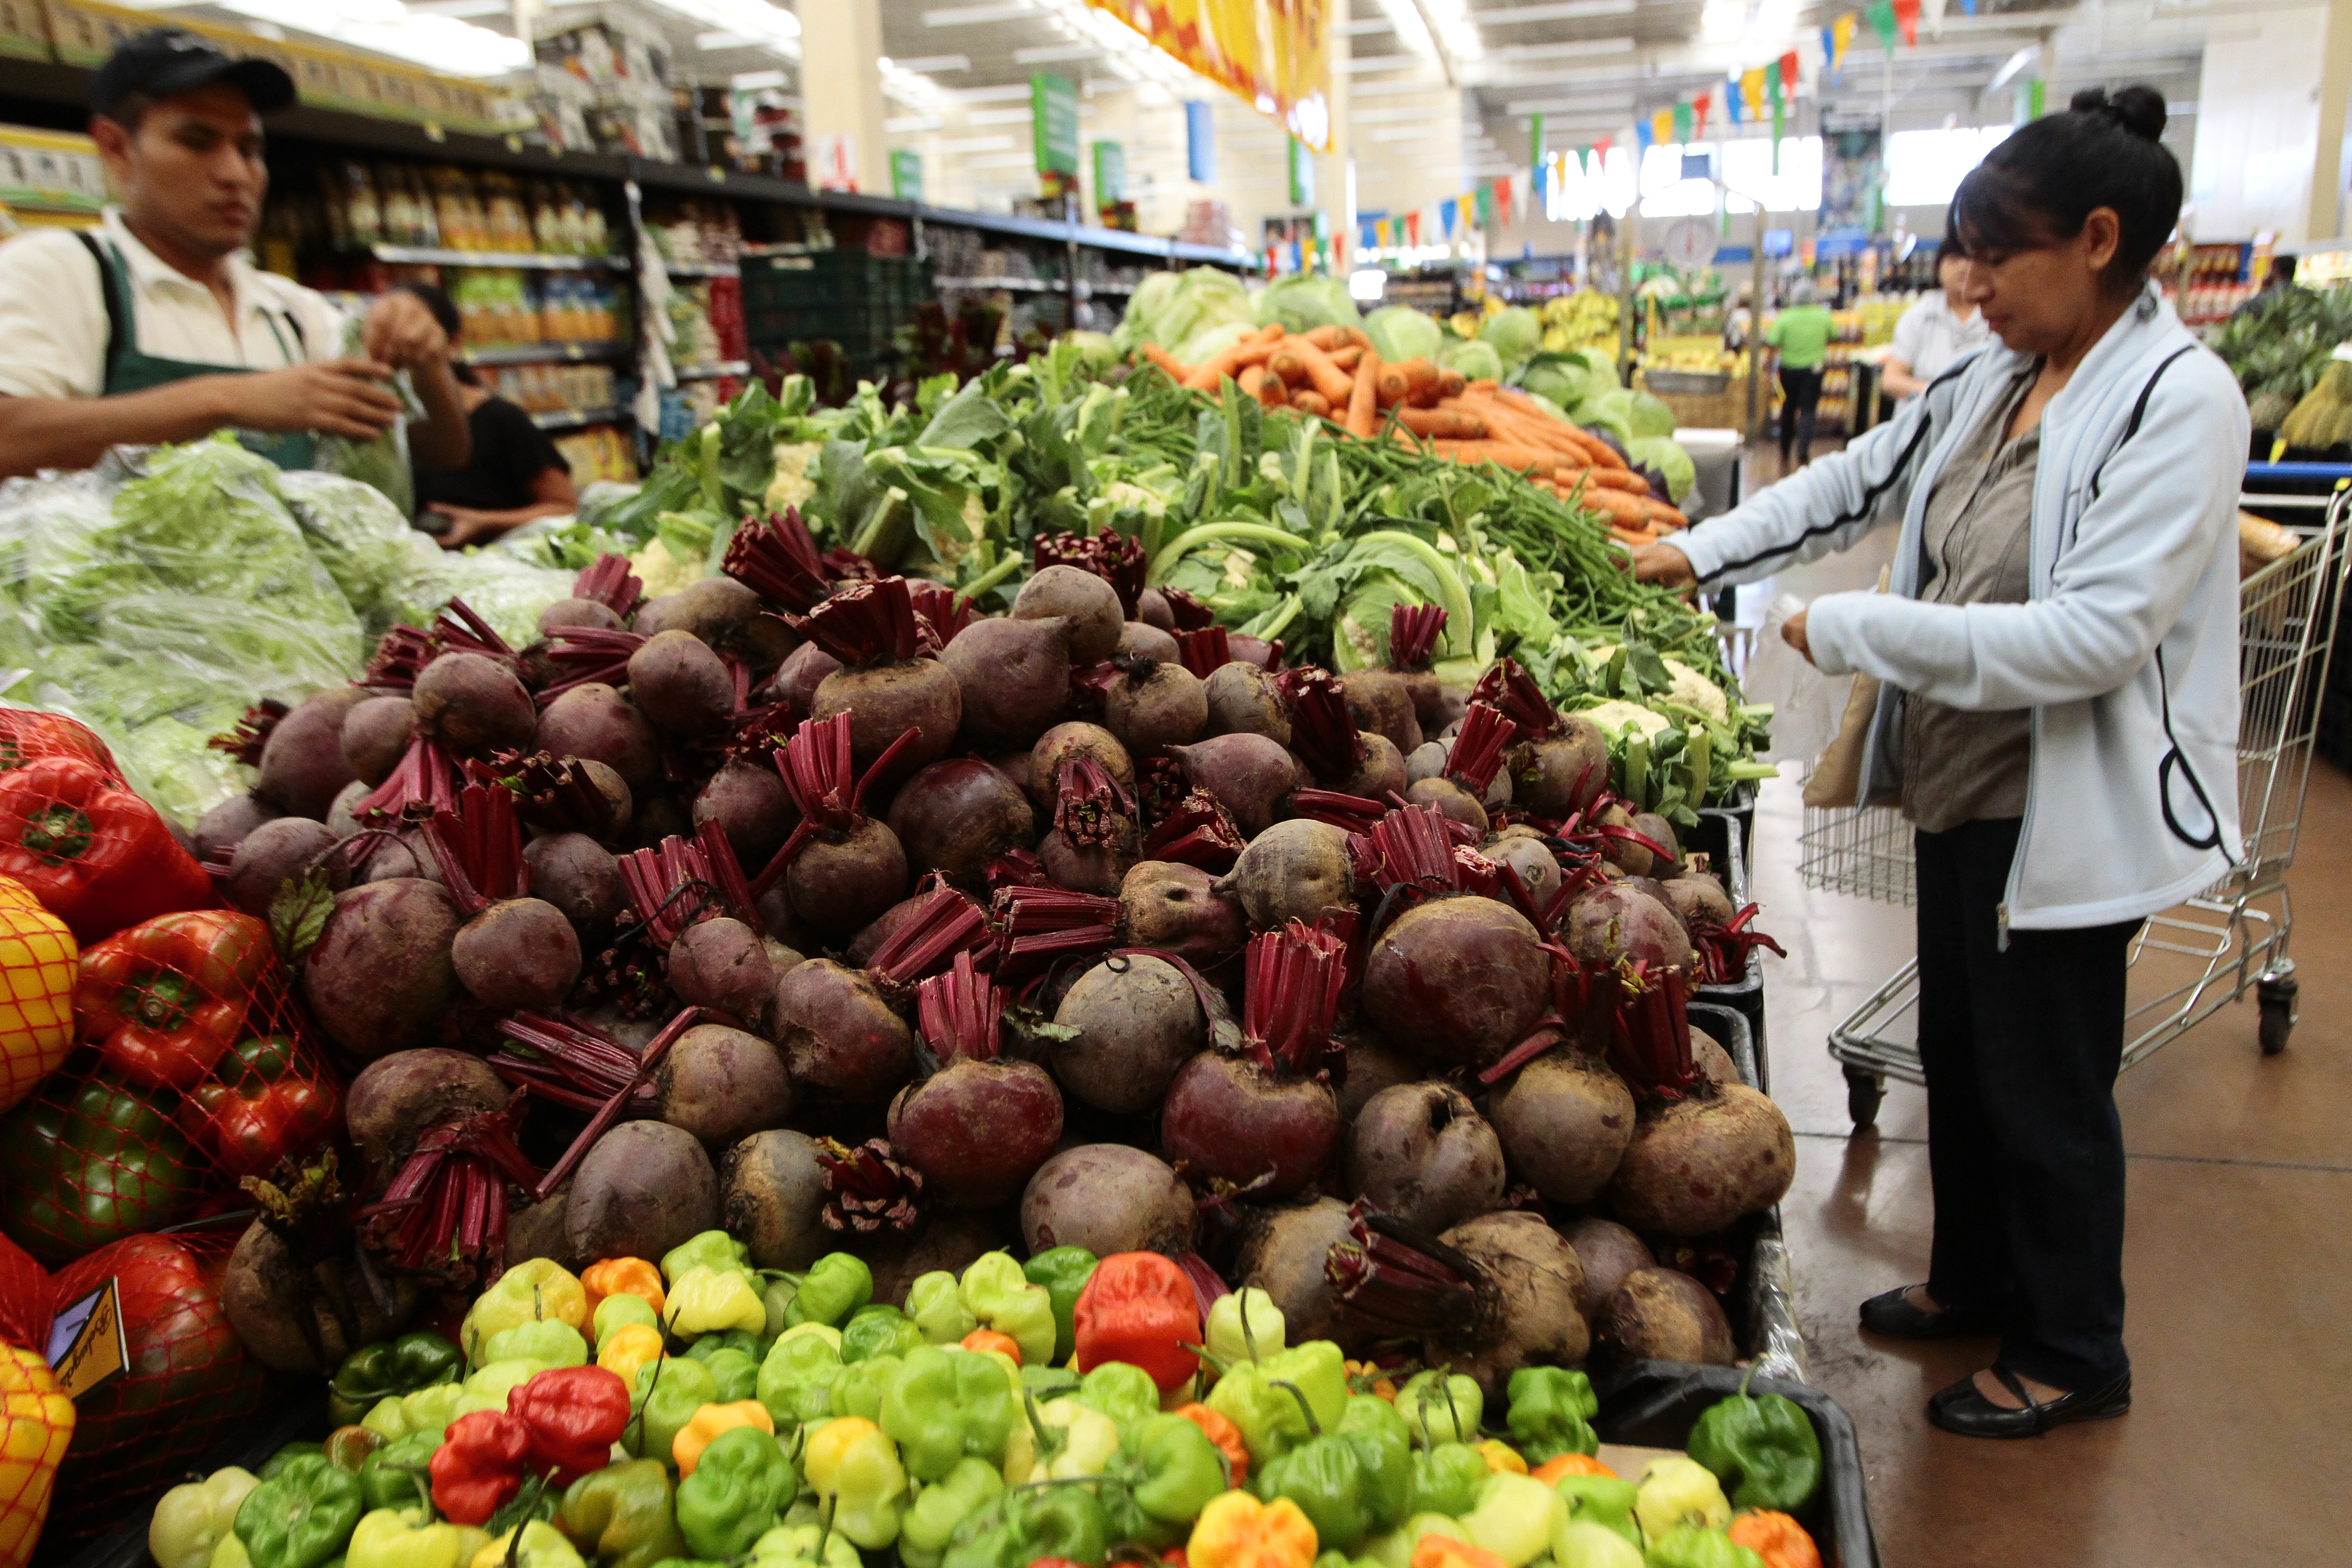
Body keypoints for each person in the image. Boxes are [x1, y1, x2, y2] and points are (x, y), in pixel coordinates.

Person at [1632, 85, 2244, 1439]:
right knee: (1962, 1050)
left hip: (2065, 798)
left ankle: (2077, 1348)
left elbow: (2091, 637)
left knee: (2047, 1080)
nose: (1967, 289)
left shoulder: (2180, 401)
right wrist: (1697, 551)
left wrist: (1837, 624)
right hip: (1966, 774)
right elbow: (1853, 481)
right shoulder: (1999, 375)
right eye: (1959, 255)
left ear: (2097, 239)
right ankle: (1974, 1275)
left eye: (1993, 255)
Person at [0, 28, 468, 479]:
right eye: (197, 142)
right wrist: (225, 401)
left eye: (248, 149)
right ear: (117, 148)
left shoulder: (293, 313)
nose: (235, 173)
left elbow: (440, 452)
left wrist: (427, 363)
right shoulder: (56, 271)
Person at [394, 282, 579, 548]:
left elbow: (565, 506)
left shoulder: (501, 419)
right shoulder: (384, 424)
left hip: (503, 571)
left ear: (453, 342)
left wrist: (484, 522)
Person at [1882, 239, 1991, 399]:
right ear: (1938, 267)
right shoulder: (1919, 315)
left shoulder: (1996, 314)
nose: (1963, 267)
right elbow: (1891, 380)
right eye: (1954, 259)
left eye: (1970, 258)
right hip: (1923, 417)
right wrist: (1934, 394)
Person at [1764, 278, 1833, 468]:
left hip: (1788, 370)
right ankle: (1803, 450)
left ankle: (1784, 448)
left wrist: (1768, 367)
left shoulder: (1785, 317)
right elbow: (1833, 335)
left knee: (1788, 407)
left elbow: (1772, 343)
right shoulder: (1823, 316)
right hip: (1814, 370)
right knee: (1808, 409)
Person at [2229, 251, 2296, 321]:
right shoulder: (2306, 295)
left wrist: (2263, 290)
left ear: (2277, 270)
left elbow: (2236, 316)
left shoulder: (2266, 297)